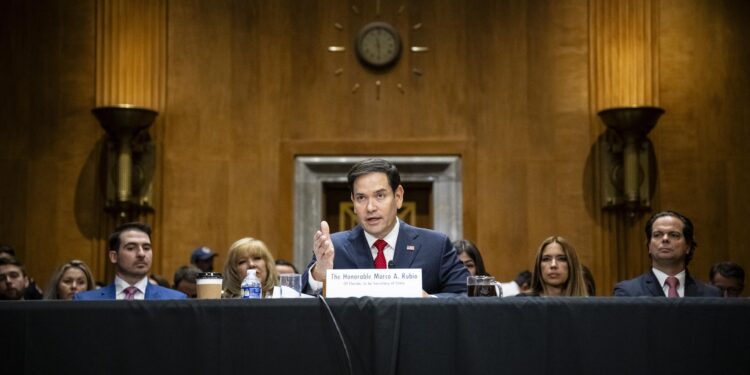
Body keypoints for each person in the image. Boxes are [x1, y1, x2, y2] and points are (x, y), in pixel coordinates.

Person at [302, 158, 468, 297]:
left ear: (398, 196)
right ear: (353, 201)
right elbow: (301, 304)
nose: (370, 207)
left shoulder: (435, 245)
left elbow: (465, 295)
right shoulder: (334, 248)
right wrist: (319, 275)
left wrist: (429, 301)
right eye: (361, 198)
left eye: (380, 196)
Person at [613, 210, 720, 297]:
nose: (665, 239)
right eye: (657, 235)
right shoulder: (628, 292)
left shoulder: (711, 295)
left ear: (688, 246)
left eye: (673, 235)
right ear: (649, 246)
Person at [74, 222, 186, 300]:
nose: (141, 254)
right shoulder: (86, 301)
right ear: (114, 256)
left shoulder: (175, 300)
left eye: (146, 248)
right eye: (131, 248)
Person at [524, 236, 589, 297]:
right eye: (546, 259)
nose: (553, 265)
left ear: (571, 265)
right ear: (538, 266)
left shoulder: (586, 305)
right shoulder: (521, 303)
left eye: (562, 259)